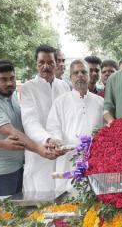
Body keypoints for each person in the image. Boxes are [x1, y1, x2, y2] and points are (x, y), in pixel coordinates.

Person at [0, 60, 61, 196]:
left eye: (12, 78)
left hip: (16, 167)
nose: (9, 83)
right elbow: (12, 131)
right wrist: (39, 149)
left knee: (16, 211)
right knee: (4, 215)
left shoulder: (9, 97)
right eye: (3, 79)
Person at [47, 60, 104, 192]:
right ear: (70, 77)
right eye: (75, 73)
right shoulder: (61, 102)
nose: (80, 75)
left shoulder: (100, 102)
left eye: (83, 72)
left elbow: (106, 130)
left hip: (94, 161)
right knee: (68, 200)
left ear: (89, 75)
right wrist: (57, 141)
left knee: (93, 200)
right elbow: (53, 126)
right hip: (68, 158)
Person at [21, 45, 71, 192]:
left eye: (50, 62)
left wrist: (60, 142)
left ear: (56, 64)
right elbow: (30, 121)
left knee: (64, 199)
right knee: (40, 202)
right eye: (41, 62)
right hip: (40, 152)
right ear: (36, 64)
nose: (45, 66)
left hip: (62, 150)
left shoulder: (64, 86)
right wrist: (48, 139)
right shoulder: (28, 88)